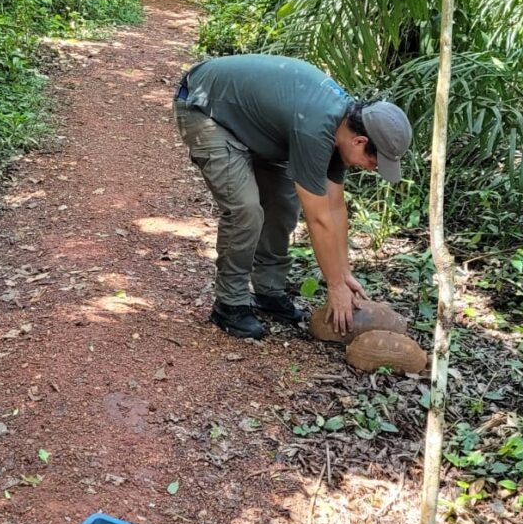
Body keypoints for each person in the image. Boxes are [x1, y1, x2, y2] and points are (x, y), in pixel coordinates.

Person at [173, 54, 412, 340]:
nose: (373, 169)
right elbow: (319, 219)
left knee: (282, 205)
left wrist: (344, 273)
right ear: (360, 142)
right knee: (246, 210)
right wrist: (334, 287)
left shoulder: (343, 130)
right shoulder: (316, 129)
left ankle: (268, 292)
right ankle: (230, 303)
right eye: (374, 162)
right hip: (206, 107)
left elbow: (335, 208)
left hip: (258, 124)